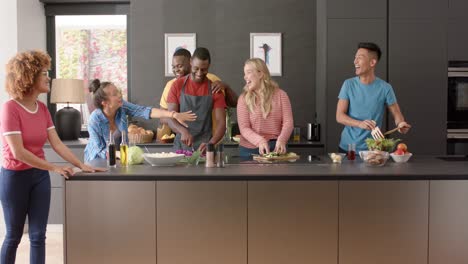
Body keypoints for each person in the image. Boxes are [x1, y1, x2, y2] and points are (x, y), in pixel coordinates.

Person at [0, 50, 105, 264]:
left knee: (38, 236)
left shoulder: (41, 109)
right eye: (44, 73)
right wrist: (55, 168)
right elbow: (18, 152)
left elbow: (56, 143)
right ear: (28, 76)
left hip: (38, 177)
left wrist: (81, 165)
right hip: (14, 177)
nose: (49, 78)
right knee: (14, 236)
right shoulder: (9, 109)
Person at [84, 79, 196, 162]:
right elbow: (100, 150)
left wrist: (174, 114)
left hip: (120, 160)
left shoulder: (121, 107)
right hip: (97, 162)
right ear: (105, 102)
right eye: (114, 94)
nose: (119, 95)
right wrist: (123, 153)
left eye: (118, 91)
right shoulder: (95, 120)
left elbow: (144, 111)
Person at [336, 42, 411, 153]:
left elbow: (397, 114)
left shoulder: (385, 88)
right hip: (348, 148)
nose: (355, 61)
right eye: (355, 57)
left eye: (359, 58)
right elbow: (339, 116)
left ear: (372, 62)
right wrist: (359, 124)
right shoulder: (348, 84)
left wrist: (401, 124)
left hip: (373, 149)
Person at [165, 47, 227, 153]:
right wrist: (183, 131)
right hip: (181, 147)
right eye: (196, 68)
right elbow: (170, 117)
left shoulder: (214, 89)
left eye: (204, 69)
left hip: (205, 146)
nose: (199, 73)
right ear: (190, 62)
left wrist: (211, 144)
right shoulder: (177, 85)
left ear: (208, 66)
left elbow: (221, 122)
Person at [237, 58, 294, 157]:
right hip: (250, 150)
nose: (245, 77)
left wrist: (282, 140)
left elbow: (288, 122)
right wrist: (260, 141)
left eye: (248, 72)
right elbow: (244, 128)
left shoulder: (281, 95)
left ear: (260, 74)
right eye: (244, 73)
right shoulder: (243, 99)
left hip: (276, 148)